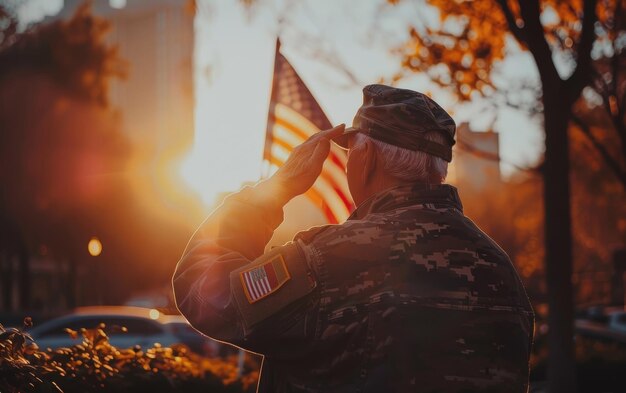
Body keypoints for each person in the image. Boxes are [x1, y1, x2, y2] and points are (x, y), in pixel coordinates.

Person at [172, 84, 535, 392]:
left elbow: (205, 290)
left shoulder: (330, 259)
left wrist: (272, 193)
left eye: (351, 151)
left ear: (367, 156)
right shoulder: (501, 270)